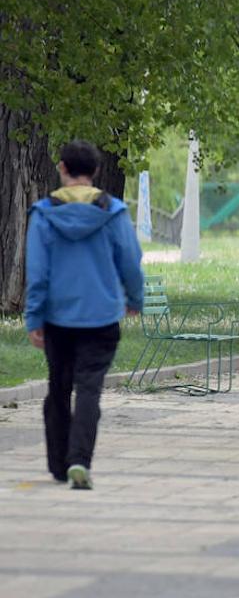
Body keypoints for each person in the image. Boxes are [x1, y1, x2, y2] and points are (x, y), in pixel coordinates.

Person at [25, 141, 144, 490]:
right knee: (89, 390)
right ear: (94, 172)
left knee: (58, 388)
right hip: (102, 318)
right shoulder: (115, 212)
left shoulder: (44, 213)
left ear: (61, 168)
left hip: (58, 319)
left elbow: (38, 273)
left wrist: (34, 319)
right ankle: (80, 460)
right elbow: (130, 262)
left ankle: (59, 465)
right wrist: (134, 298)